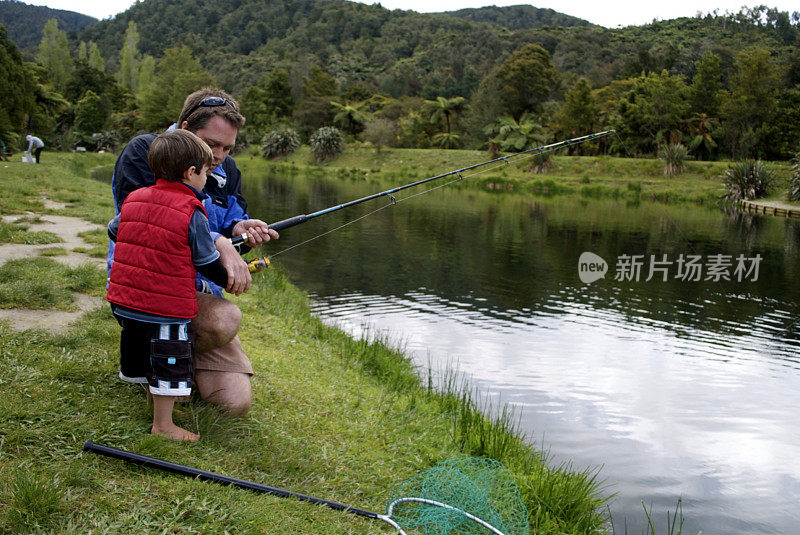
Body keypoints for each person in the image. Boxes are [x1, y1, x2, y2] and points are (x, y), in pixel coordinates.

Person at [109, 87, 278, 415]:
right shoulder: (146, 152)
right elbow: (138, 224)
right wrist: (218, 241)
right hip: (152, 288)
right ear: (185, 128)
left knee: (233, 404)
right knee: (226, 319)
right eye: (211, 144)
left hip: (200, 293)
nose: (218, 156)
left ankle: (175, 364)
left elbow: (231, 224)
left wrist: (239, 231)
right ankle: (159, 370)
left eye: (227, 147)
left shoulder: (228, 171)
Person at [107, 129, 233, 441]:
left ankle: (154, 401)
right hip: (165, 308)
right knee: (169, 358)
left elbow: (114, 230)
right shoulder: (192, 211)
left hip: (123, 302)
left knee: (145, 348)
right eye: (205, 171)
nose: (206, 177)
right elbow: (205, 261)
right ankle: (163, 425)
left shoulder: (135, 198)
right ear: (191, 172)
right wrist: (228, 279)